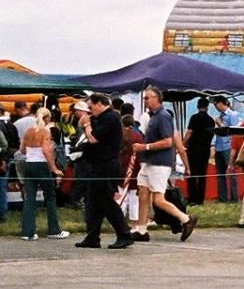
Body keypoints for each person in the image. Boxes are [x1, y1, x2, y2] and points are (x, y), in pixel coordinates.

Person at [131, 85, 197, 242]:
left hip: (159, 163)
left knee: (158, 199)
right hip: (148, 162)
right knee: (143, 193)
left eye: (147, 98)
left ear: (156, 99)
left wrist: (144, 147)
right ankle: (141, 229)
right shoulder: (152, 116)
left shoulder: (163, 116)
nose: (145, 100)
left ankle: (186, 219)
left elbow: (168, 142)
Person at [73, 93, 133, 249]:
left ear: (100, 103)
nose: (90, 111)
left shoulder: (110, 118)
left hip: (106, 165)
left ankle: (124, 234)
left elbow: (93, 138)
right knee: (93, 202)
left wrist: (86, 125)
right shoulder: (98, 118)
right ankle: (92, 236)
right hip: (95, 164)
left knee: (106, 200)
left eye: (91, 107)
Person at [18, 108, 68, 240]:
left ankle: (27, 232)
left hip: (29, 165)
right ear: (48, 119)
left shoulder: (28, 131)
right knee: (50, 196)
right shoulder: (45, 132)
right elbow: (46, 151)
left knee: (30, 198)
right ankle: (53, 230)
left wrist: (31, 151)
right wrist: (54, 168)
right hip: (41, 165)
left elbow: (22, 150)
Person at [183, 97, 216, 205]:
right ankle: (200, 199)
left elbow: (190, 132)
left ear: (197, 107)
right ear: (207, 107)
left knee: (192, 172)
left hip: (194, 148)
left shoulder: (194, 118)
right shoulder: (211, 120)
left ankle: (192, 198)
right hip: (205, 148)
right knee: (202, 174)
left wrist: (183, 144)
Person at [212, 96, 242, 203]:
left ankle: (234, 197)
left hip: (228, 146)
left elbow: (234, 131)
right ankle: (222, 197)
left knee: (231, 172)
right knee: (220, 173)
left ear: (222, 103)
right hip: (219, 147)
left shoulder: (232, 115)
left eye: (216, 104)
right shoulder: (220, 116)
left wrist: (220, 124)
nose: (215, 106)